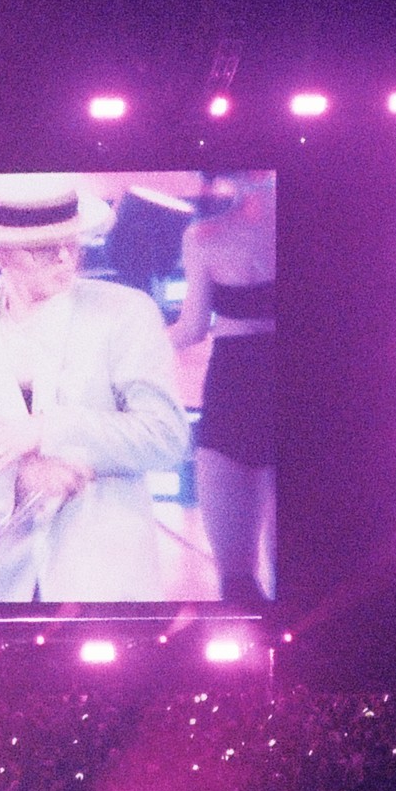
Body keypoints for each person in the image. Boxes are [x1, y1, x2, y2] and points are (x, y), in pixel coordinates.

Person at [0, 175, 191, 602]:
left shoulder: (126, 313)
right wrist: (19, 481)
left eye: (71, 242)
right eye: (43, 248)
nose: (65, 257)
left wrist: (48, 430)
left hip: (105, 583)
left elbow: (167, 437)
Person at [167, 172, 275, 606]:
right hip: (261, 384)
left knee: (237, 577)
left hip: (235, 383)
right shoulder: (206, 235)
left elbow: (192, 328)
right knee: (284, 572)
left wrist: (131, 345)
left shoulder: (206, 236)